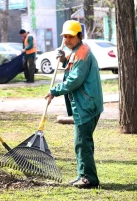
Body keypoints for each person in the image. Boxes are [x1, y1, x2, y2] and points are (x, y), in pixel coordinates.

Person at [44, 20, 104, 189]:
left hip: (87, 104)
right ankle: (82, 174)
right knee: (81, 141)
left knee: (82, 142)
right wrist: (64, 60)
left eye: (71, 36)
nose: (67, 40)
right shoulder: (77, 51)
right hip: (85, 102)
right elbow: (72, 69)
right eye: (65, 37)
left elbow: (74, 80)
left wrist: (55, 91)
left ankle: (89, 178)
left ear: (79, 36)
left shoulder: (82, 54)